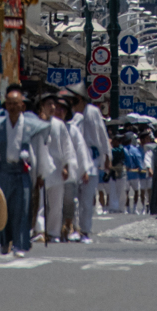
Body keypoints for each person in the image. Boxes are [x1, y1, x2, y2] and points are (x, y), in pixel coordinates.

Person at [0, 87, 50, 256]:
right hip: (4, 171)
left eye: (16, 103)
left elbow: (40, 151)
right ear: (5, 105)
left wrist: (41, 173)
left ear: (22, 106)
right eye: (9, 104)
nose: (12, 107)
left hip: (23, 172)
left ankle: (20, 244)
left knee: (22, 209)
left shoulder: (32, 127)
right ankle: (4, 241)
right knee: (2, 209)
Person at [66, 82, 111, 243]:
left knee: (86, 199)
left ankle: (84, 230)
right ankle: (74, 228)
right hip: (74, 159)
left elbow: (102, 135)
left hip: (91, 159)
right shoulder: (72, 115)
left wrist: (107, 156)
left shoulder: (93, 112)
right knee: (73, 198)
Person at [34, 92, 77, 242]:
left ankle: (53, 232)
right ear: (41, 106)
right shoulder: (34, 124)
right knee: (39, 203)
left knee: (56, 204)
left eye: (54, 105)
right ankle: (39, 230)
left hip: (57, 168)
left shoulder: (59, 125)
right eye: (49, 105)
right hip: (39, 168)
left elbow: (66, 146)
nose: (53, 108)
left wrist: (66, 165)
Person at [53, 93, 94, 240]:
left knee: (69, 200)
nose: (59, 112)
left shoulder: (73, 130)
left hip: (69, 173)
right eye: (57, 108)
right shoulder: (47, 127)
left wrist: (84, 170)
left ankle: (68, 225)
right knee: (53, 203)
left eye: (63, 109)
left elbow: (81, 150)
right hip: (51, 172)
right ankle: (53, 230)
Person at [122, 131, 145, 214]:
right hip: (134, 174)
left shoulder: (122, 149)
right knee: (136, 192)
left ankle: (128, 208)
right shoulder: (135, 150)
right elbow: (139, 161)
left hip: (127, 174)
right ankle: (134, 208)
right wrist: (140, 168)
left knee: (127, 192)